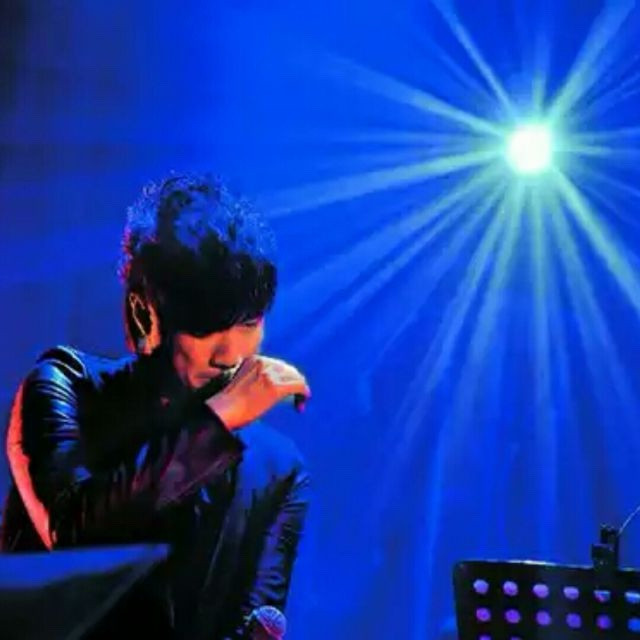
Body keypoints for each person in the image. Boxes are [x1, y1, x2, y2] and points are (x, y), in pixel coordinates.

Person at [0, 173, 312, 639]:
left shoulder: (276, 468)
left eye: (248, 323)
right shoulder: (66, 386)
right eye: (205, 328)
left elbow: (253, 615)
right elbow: (71, 533)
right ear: (144, 311)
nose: (229, 354)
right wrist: (218, 420)